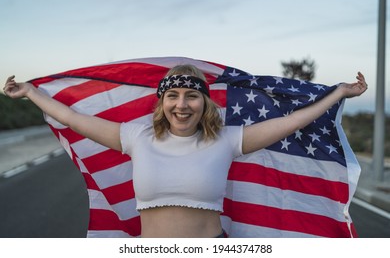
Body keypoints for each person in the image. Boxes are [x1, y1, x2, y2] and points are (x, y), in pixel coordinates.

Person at [3, 64, 367, 238]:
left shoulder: (226, 140)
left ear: (203, 103)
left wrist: (338, 93)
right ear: (161, 103)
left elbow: (293, 122)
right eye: (172, 96)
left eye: (191, 95)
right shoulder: (135, 136)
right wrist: (31, 93)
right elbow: (70, 116)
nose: (182, 104)